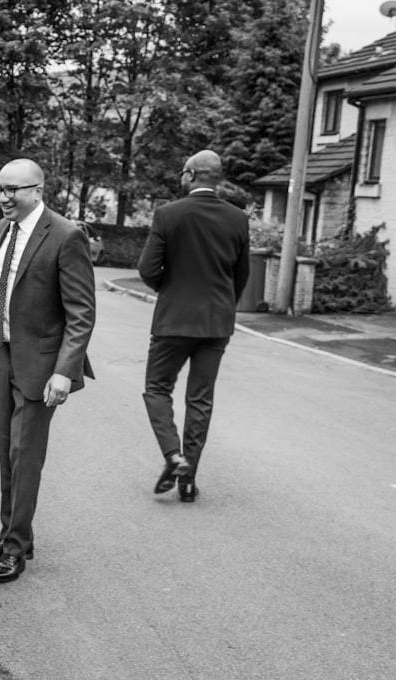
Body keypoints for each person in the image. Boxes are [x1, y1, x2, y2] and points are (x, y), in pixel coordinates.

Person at [0, 158, 95, 584]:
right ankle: (12, 534)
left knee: (24, 456)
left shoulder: (66, 236)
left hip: (42, 365)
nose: (2, 197)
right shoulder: (3, 230)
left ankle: (15, 550)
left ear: (37, 190)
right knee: (5, 452)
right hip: (3, 355)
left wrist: (64, 372)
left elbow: (81, 313)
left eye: (11, 190)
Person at [137, 149, 249, 503]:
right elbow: (241, 275)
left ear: (189, 175)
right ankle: (188, 481)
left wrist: (169, 291)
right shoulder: (238, 219)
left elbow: (147, 269)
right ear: (216, 179)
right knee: (201, 399)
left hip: (174, 319)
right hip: (217, 323)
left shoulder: (169, 214)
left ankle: (173, 456)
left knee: (157, 387)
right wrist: (223, 304)